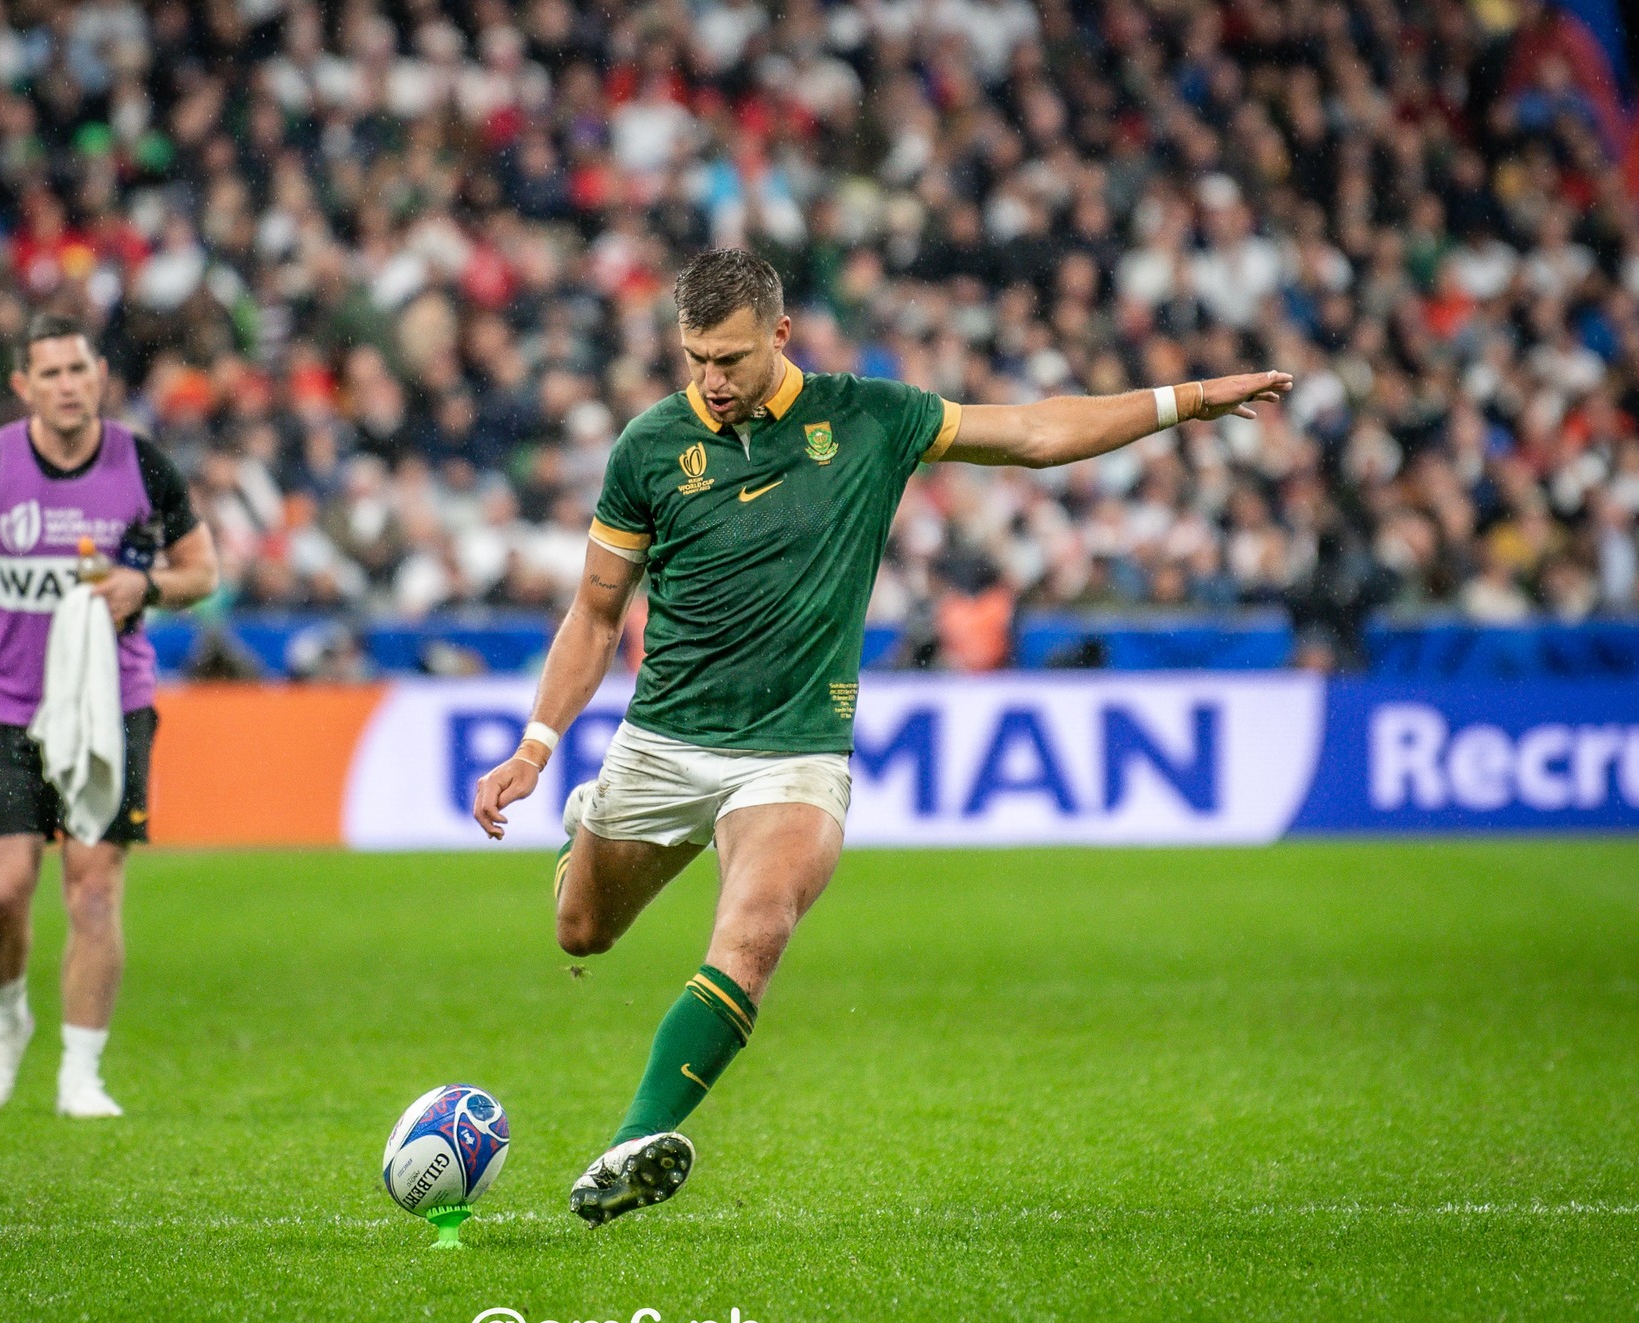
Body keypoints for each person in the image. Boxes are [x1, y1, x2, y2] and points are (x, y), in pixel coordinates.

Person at [472, 249, 1291, 1225]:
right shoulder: (649, 449)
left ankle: (626, 1148)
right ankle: (587, 835)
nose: (713, 380)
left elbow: (1031, 431)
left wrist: (1185, 399)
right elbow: (596, 613)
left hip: (795, 750)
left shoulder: (866, 418)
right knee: (583, 931)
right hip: (665, 741)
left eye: (730, 357)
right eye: (695, 359)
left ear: (780, 336)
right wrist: (533, 743)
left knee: (756, 924)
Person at [0, 314, 218, 1118]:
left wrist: (147, 587)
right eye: (50, 373)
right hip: (5, 708)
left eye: (79, 369)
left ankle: (81, 1072)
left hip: (112, 705)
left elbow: (202, 569)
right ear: (24, 387)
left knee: (95, 892)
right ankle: (7, 1019)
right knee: (4, 890)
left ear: (100, 373)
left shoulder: (143, 465)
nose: (68, 385)